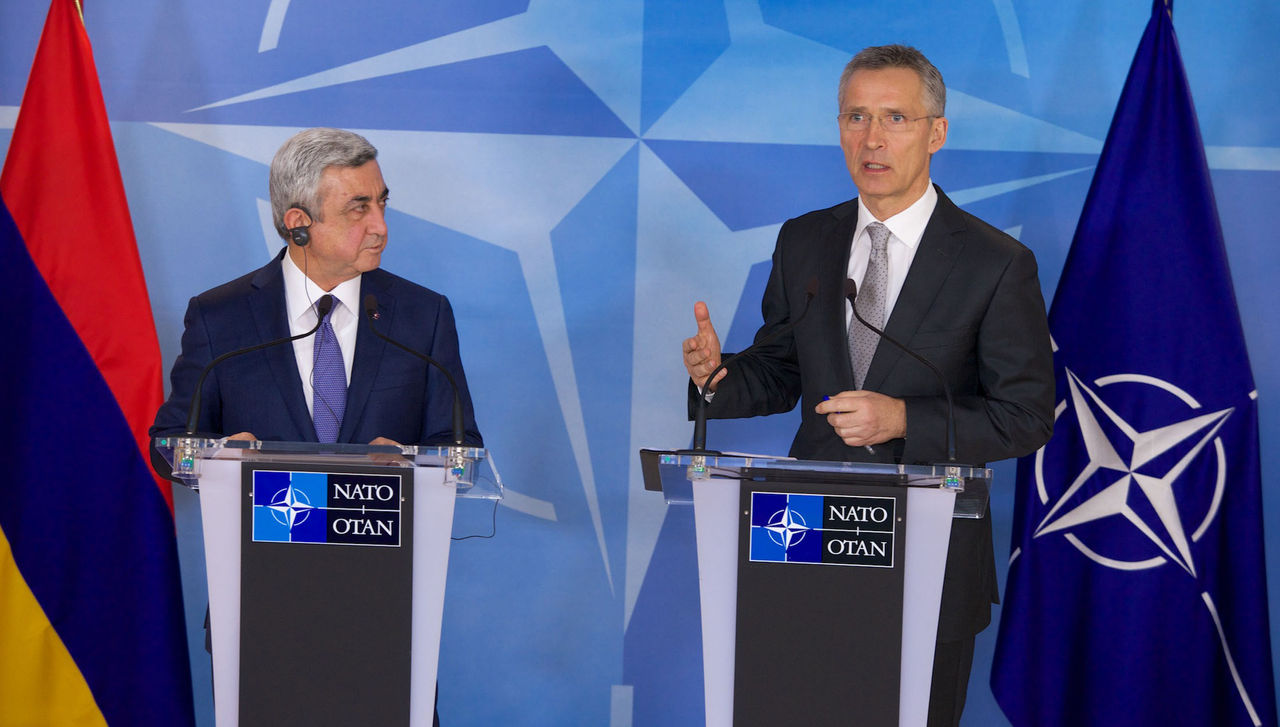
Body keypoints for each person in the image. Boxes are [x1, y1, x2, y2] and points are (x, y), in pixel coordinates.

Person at [681, 45, 1054, 726]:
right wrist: (718, 378)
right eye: (855, 117)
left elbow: (1026, 415)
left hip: (929, 555)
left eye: (895, 118)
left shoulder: (995, 263)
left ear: (936, 132)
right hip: (799, 540)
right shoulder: (805, 240)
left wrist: (903, 419)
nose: (872, 139)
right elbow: (782, 368)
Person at [151, 127, 481, 450]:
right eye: (358, 209)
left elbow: (458, 444)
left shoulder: (424, 314)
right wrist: (221, 456)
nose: (381, 227)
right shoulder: (220, 316)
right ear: (299, 223)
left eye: (382, 203)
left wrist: (409, 464)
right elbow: (173, 441)